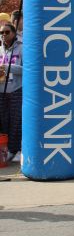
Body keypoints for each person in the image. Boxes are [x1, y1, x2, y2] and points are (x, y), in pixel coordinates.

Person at [0, 23, 22, 162]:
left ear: (14, 33)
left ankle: (17, 149)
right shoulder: (0, 50)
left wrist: (8, 67)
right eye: (1, 33)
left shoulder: (22, 48)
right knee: (3, 122)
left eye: (7, 32)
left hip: (16, 89)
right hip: (1, 90)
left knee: (16, 122)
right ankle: (6, 150)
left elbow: (27, 69)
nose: (3, 35)